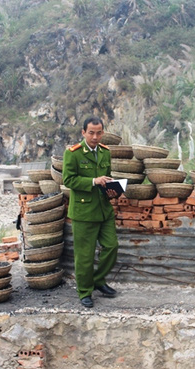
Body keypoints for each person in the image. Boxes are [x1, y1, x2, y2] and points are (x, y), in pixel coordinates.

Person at [62, 116, 119, 308]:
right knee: (85, 255)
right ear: (83, 132)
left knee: (111, 247)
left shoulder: (105, 152)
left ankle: (98, 280)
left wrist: (112, 188)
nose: (95, 137)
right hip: (84, 211)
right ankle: (85, 291)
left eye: (99, 132)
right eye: (91, 133)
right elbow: (68, 180)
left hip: (104, 209)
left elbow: (107, 176)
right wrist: (93, 181)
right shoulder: (73, 153)